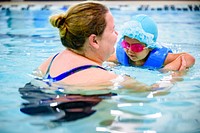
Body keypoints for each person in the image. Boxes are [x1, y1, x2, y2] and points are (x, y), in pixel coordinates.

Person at [33, 1, 174, 91]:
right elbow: (152, 93)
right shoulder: (111, 79)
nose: (117, 34)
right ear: (94, 41)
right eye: (112, 30)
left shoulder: (50, 61)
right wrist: (173, 77)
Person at [107, 14, 195, 71]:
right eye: (126, 44)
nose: (129, 50)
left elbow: (189, 58)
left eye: (136, 47)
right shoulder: (120, 57)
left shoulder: (160, 59)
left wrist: (165, 70)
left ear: (149, 47)